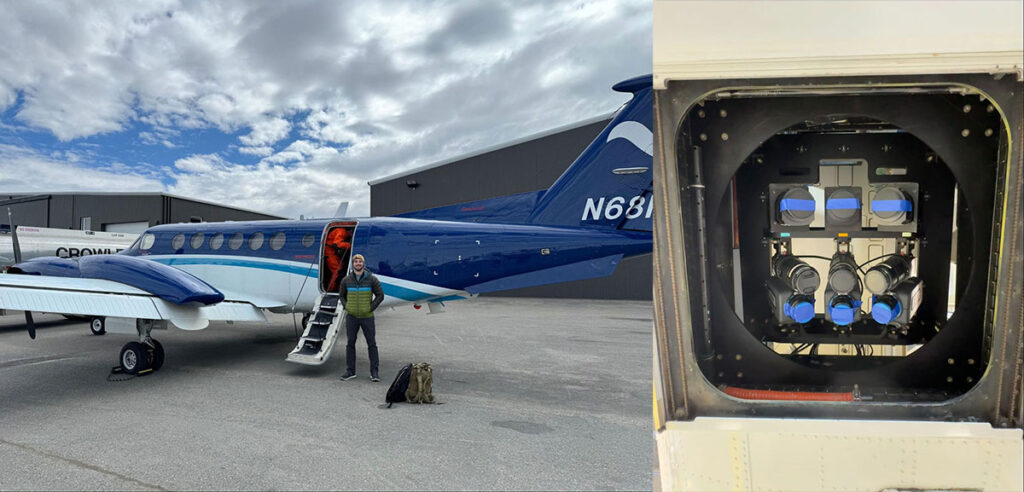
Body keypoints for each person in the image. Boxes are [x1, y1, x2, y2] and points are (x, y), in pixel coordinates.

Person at [338, 253, 384, 381]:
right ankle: (350, 371)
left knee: (372, 344)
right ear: (353, 265)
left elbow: (380, 295)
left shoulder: (371, 279)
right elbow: (341, 295)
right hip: (352, 316)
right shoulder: (346, 280)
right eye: (356, 262)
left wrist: (370, 308)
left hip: (367, 316)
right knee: (350, 344)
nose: (358, 264)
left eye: (360, 262)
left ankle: (374, 372)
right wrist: (347, 307)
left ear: (363, 264)